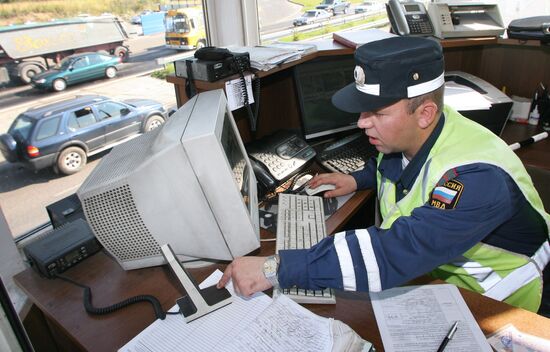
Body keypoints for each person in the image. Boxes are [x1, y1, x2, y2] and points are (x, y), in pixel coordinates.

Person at [218, 36, 550, 313]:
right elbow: (399, 169)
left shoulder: (477, 179)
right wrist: (358, 178)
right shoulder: (418, 135)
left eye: (376, 112)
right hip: (441, 276)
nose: (362, 122)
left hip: (502, 300)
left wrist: (276, 267)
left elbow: (398, 249)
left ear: (425, 113)